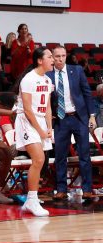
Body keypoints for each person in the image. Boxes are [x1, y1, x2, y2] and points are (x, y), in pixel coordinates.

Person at [48, 46, 96, 201]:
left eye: (63, 55)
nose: (60, 59)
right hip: (60, 119)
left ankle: (87, 189)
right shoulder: (47, 75)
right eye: (57, 56)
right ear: (52, 58)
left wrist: (92, 116)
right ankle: (61, 189)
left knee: (84, 155)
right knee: (60, 156)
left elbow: (87, 93)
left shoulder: (76, 70)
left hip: (78, 117)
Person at [14, 47, 54, 216]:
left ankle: (32, 199)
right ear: (39, 60)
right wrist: (40, 130)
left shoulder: (46, 80)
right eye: (50, 57)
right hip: (26, 120)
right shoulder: (29, 79)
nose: (53, 59)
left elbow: (47, 106)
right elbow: (28, 110)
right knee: (38, 158)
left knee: (41, 161)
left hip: (40, 121)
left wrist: (49, 126)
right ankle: (31, 200)